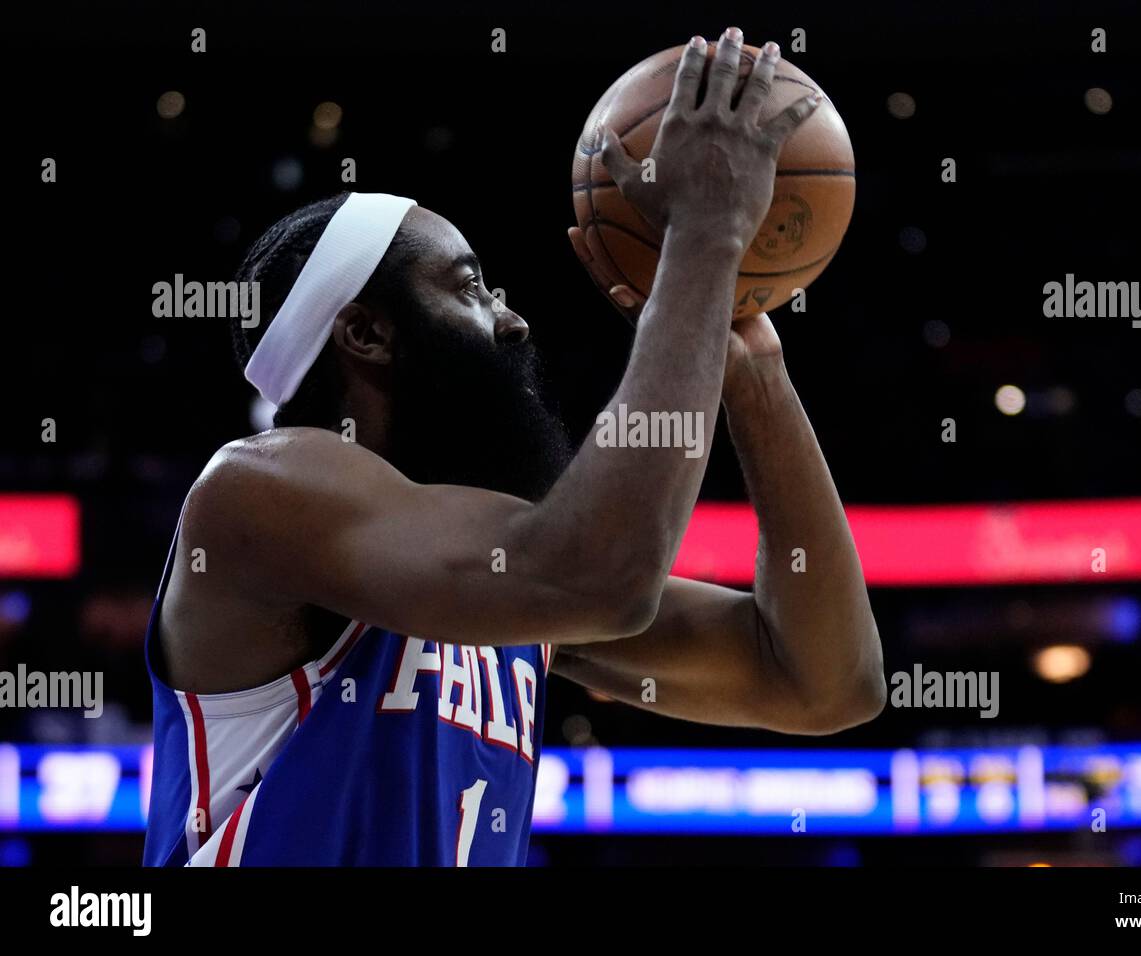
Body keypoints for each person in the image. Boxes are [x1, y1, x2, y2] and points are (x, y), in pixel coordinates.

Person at [143, 26, 885, 867]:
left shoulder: (498, 578)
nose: (514, 319)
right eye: (468, 289)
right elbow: (599, 575)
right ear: (366, 332)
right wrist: (704, 238)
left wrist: (752, 375)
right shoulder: (257, 494)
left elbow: (825, 683)